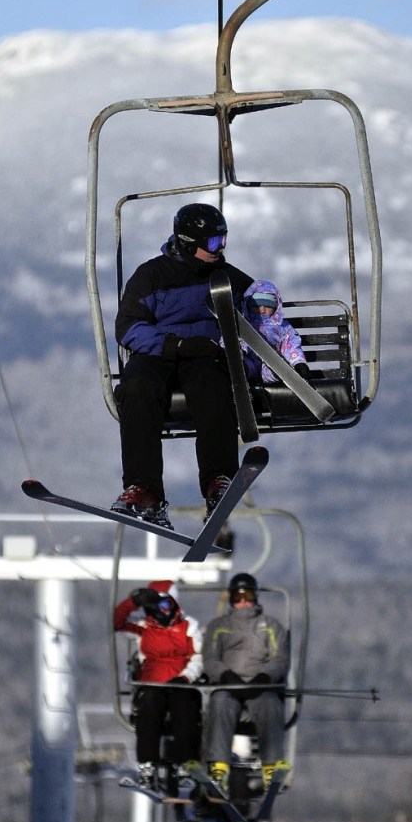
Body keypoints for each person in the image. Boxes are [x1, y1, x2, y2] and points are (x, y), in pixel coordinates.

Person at [110, 203, 254, 529]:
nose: (220, 250)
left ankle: (218, 480)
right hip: (159, 354)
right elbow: (129, 328)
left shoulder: (227, 278)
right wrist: (172, 344)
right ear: (188, 242)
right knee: (136, 388)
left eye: (223, 241)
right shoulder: (151, 276)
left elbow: (260, 311)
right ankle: (144, 489)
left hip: (206, 355)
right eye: (214, 244)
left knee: (212, 386)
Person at [202, 573, 290, 796]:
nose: (243, 602)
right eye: (238, 597)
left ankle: (270, 767)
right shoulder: (218, 626)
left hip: (260, 686)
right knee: (220, 703)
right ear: (231, 600)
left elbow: (280, 659)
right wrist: (225, 676)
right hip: (229, 685)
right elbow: (210, 658)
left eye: (248, 595)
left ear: (255, 597)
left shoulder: (270, 625)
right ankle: (218, 768)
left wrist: (264, 678)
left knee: (269, 705)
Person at [113, 580, 203, 789]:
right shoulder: (144, 627)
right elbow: (116, 623)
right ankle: (147, 764)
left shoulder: (189, 625)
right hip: (153, 683)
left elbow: (198, 657)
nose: (161, 613)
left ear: (174, 604)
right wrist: (133, 602)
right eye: (155, 607)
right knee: (149, 708)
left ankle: (184, 765)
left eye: (165, 606)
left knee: (185, 709)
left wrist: (186, 677)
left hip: (181, 682)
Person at [240, 279, 311, 384]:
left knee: (277, 368)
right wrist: (239, 350)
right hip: (249, 360)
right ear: (248, 306)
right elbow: (230, 338)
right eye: (256, 306)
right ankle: (241, 372)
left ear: (276, 307)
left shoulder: (281, 326)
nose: (262, 310)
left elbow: (291, 343)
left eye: (268, 306)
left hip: (271, 362)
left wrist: (298, 362)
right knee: (244, 366)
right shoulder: (242, 323)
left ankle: (280, 373)